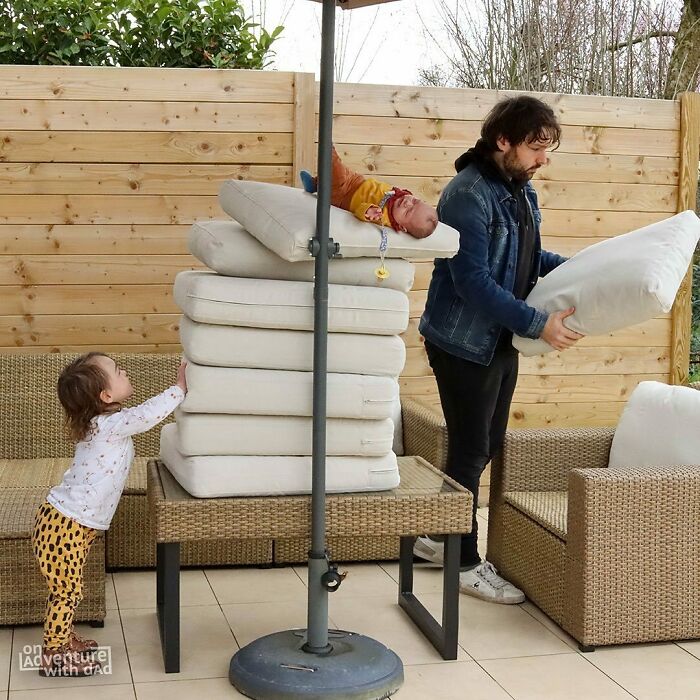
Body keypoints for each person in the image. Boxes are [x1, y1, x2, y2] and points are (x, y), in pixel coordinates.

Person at [415, 95, 583, 604]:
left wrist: (586, 269)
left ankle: (438, 537)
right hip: (462, 342)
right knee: (471, 449)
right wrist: (537, 324)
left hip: (497, 338)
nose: (542, 160)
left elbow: (527, 257)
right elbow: (472, 281)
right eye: (535, 148)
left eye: (547, 149)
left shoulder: (519, 188)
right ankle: (464, 563)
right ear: (502, 140)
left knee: (485, 444)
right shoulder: (468, 194)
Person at [33, 353, 187, 676]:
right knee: (66, 592)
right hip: (64, 525)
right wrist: (179, 389)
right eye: (118, 370)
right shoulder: (109, 426)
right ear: (105, 396)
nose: (125, 371)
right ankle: (53, 654)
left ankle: (63, 639)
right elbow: (146, 414)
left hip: (65, 522)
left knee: (68, 589)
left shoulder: (100, 424)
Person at [300, 146, 438, 239]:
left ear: (402, 227)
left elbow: (359, 212)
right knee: (340, 173)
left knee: (336, 170)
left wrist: (368, 211)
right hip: (356, 181)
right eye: (415, 201)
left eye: (408, 212)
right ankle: (314, 184)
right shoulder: (401, 196)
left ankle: (328, 148)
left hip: (344, 195)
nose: (407, 203)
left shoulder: (384, 217)